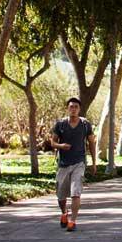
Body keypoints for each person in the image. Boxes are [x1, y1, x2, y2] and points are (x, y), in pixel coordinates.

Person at [49, 97, 95, 232]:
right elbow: (52, 142)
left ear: (79, 109)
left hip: (79, 163)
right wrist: (61, 146)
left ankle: (73, 221)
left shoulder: (85, 125)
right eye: (71, 107)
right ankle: (64, 213)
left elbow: (91, 142)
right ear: (67, 109)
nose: (73, 109)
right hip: (63, 164)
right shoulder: (60, 124)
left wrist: (93, 163)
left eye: (76, 107)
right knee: (61, 195)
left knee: (75, 193)